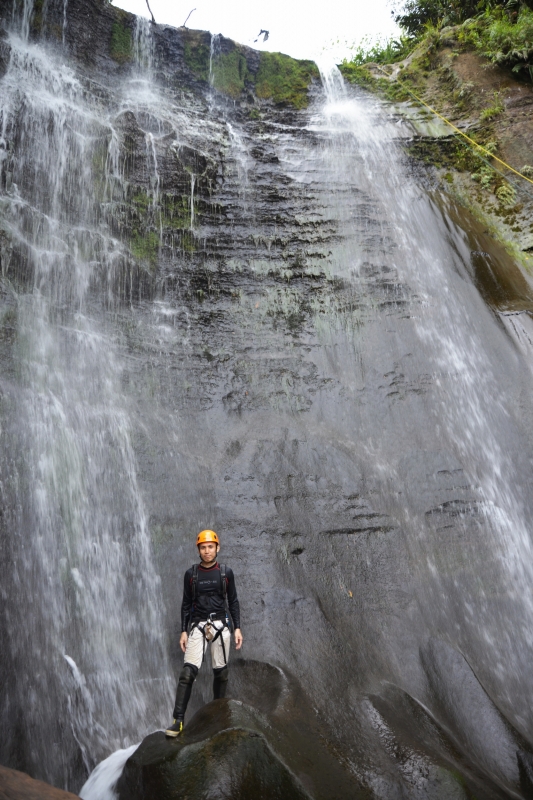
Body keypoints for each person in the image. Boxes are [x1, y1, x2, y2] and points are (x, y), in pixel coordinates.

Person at [165, 529, 243, 737]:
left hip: (221, 624)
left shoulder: (226, 573)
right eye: (203, 547)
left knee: (221, 672)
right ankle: (178, 721)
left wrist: (237, 627)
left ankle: (218, 716)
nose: (207, 551)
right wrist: (183, 631)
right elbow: (186, 604)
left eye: (210, 547)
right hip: (198, 625)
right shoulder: (191, 575)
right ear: (198, 550)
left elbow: (233, 601)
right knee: (187, 673)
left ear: (217, 548)